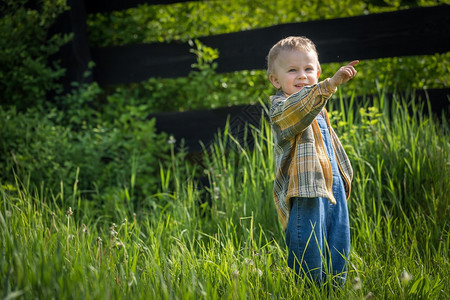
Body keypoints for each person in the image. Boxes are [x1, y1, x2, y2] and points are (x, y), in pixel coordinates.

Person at [267, 36, 358, 285]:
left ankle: (334, 288)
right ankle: (309, 289)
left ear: (317, 71)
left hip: (332, 186)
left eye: (308, 69)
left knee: (338, 239)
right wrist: (329, 84)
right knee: (308, 242)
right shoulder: (281, 107)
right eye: (292, 70)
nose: (302, 76)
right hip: (304, 188)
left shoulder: (318, 106)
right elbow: (298, 109)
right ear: (275, 80)